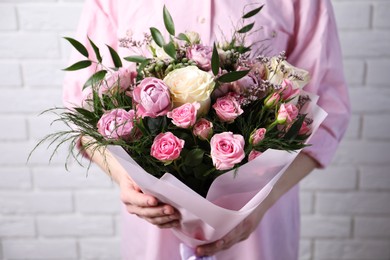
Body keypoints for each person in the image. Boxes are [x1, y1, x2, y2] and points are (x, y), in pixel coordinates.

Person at [63, 0, 351, 259]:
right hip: (154, 226)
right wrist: (123, 178)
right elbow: (83, 109)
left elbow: (327, 115)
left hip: (259, 226)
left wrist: (262, 206)